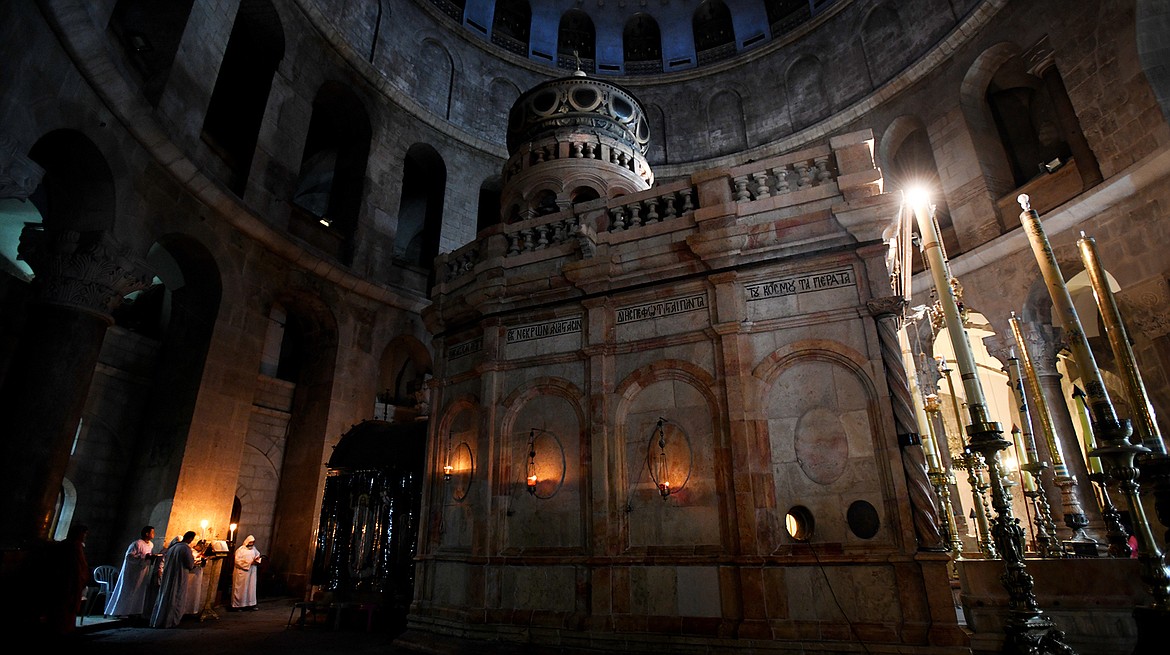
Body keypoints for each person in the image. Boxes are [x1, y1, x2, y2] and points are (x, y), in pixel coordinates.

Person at [104, 525, 157, 620]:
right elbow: (129, 557)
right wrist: (144, 557)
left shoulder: (151, 545)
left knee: (139, 591)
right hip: (132, 572)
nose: (154, 534)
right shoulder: (136, 544)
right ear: (146, 533)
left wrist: (151, 558)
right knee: (128, 590)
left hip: (143, 571)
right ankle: (121, 611)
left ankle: (134, 611)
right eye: (152, 532)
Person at [150, 530, 198, 628]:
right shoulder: (185, 548)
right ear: (190, 539)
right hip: (179, 575)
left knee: (165, 597)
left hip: (168, 576)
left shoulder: (172, 548)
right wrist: (194, 564)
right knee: (176, 597)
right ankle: (171, 621)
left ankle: (160, 619)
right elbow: (189, 563)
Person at [230, 535, 263, 611]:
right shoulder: (240, 550)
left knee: (250, 588)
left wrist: (257, 560)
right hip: (242, 572)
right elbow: (237, 561)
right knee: (241, 589)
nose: (251, 544)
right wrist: (248, 564)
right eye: (250, 542)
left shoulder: (254, 549)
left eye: (253, 542)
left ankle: (250, 604)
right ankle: (238, 605)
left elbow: (257, 555)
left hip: (252, 572)